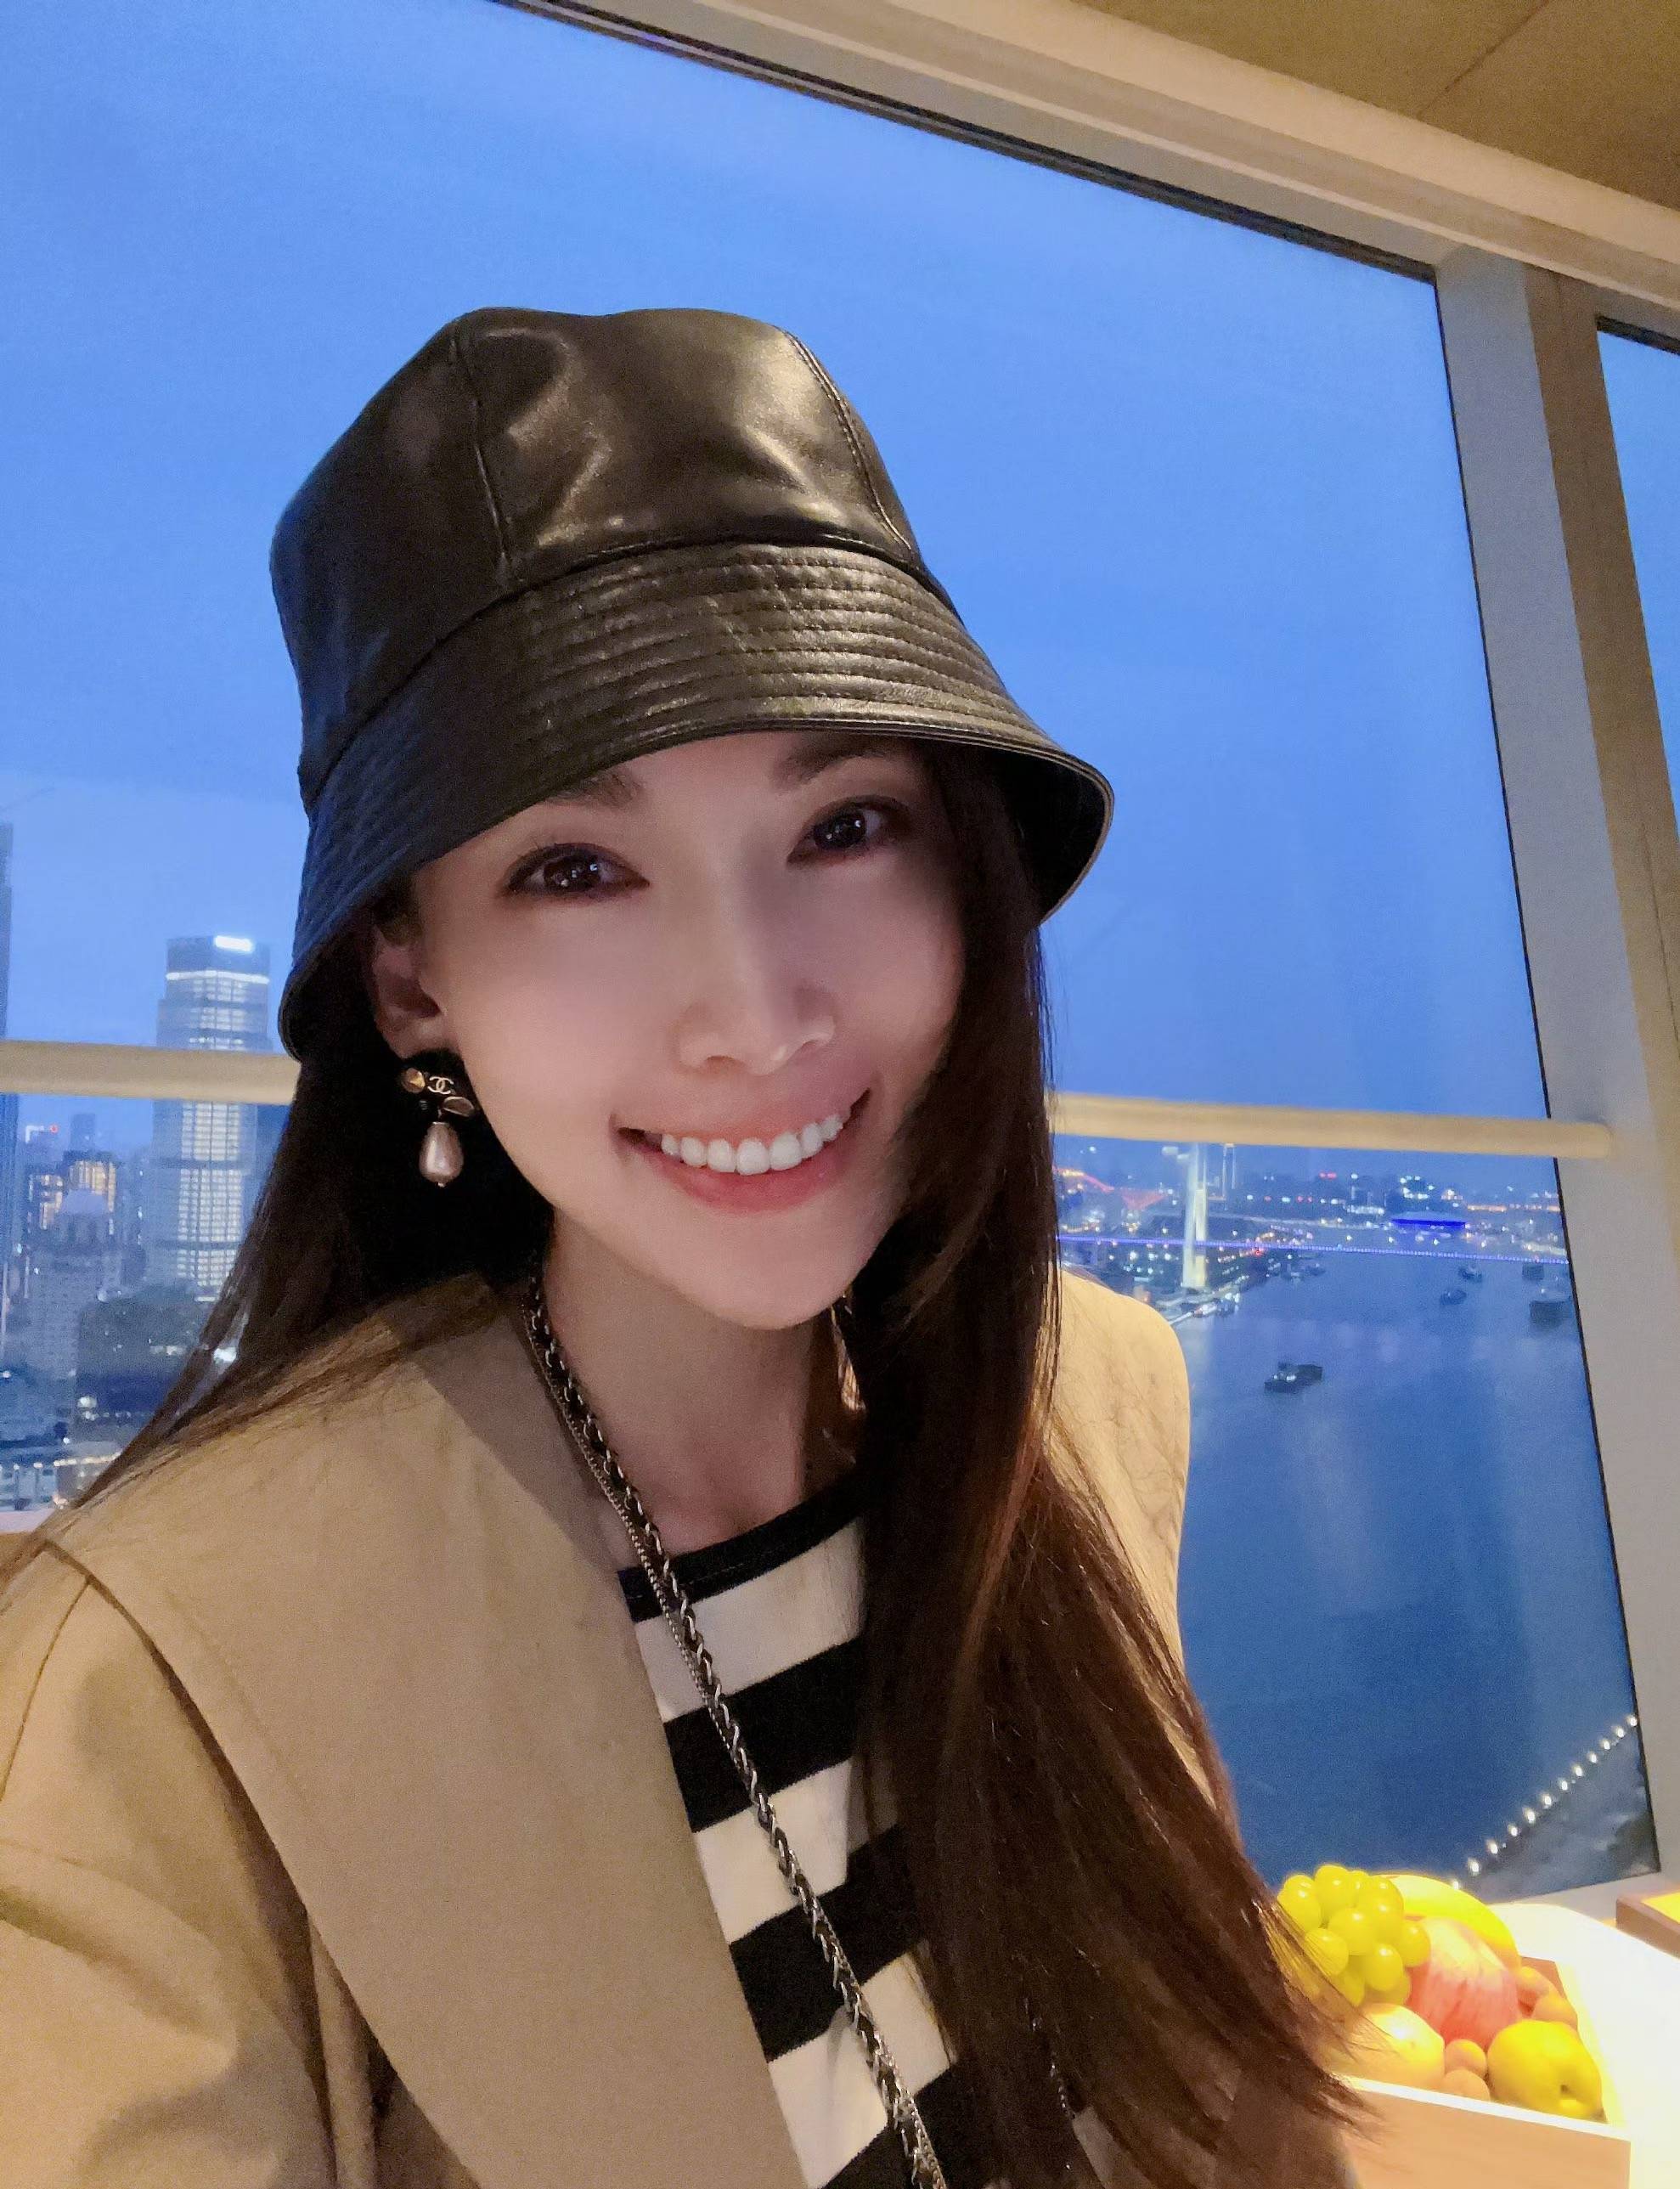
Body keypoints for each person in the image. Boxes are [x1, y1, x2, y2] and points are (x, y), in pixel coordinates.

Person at [0, 307, 1363, 2189]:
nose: (754, 1013)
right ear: (411, 977)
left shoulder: (1082, 1403)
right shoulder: (150, 1695)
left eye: (845, 825)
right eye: (576, 868)